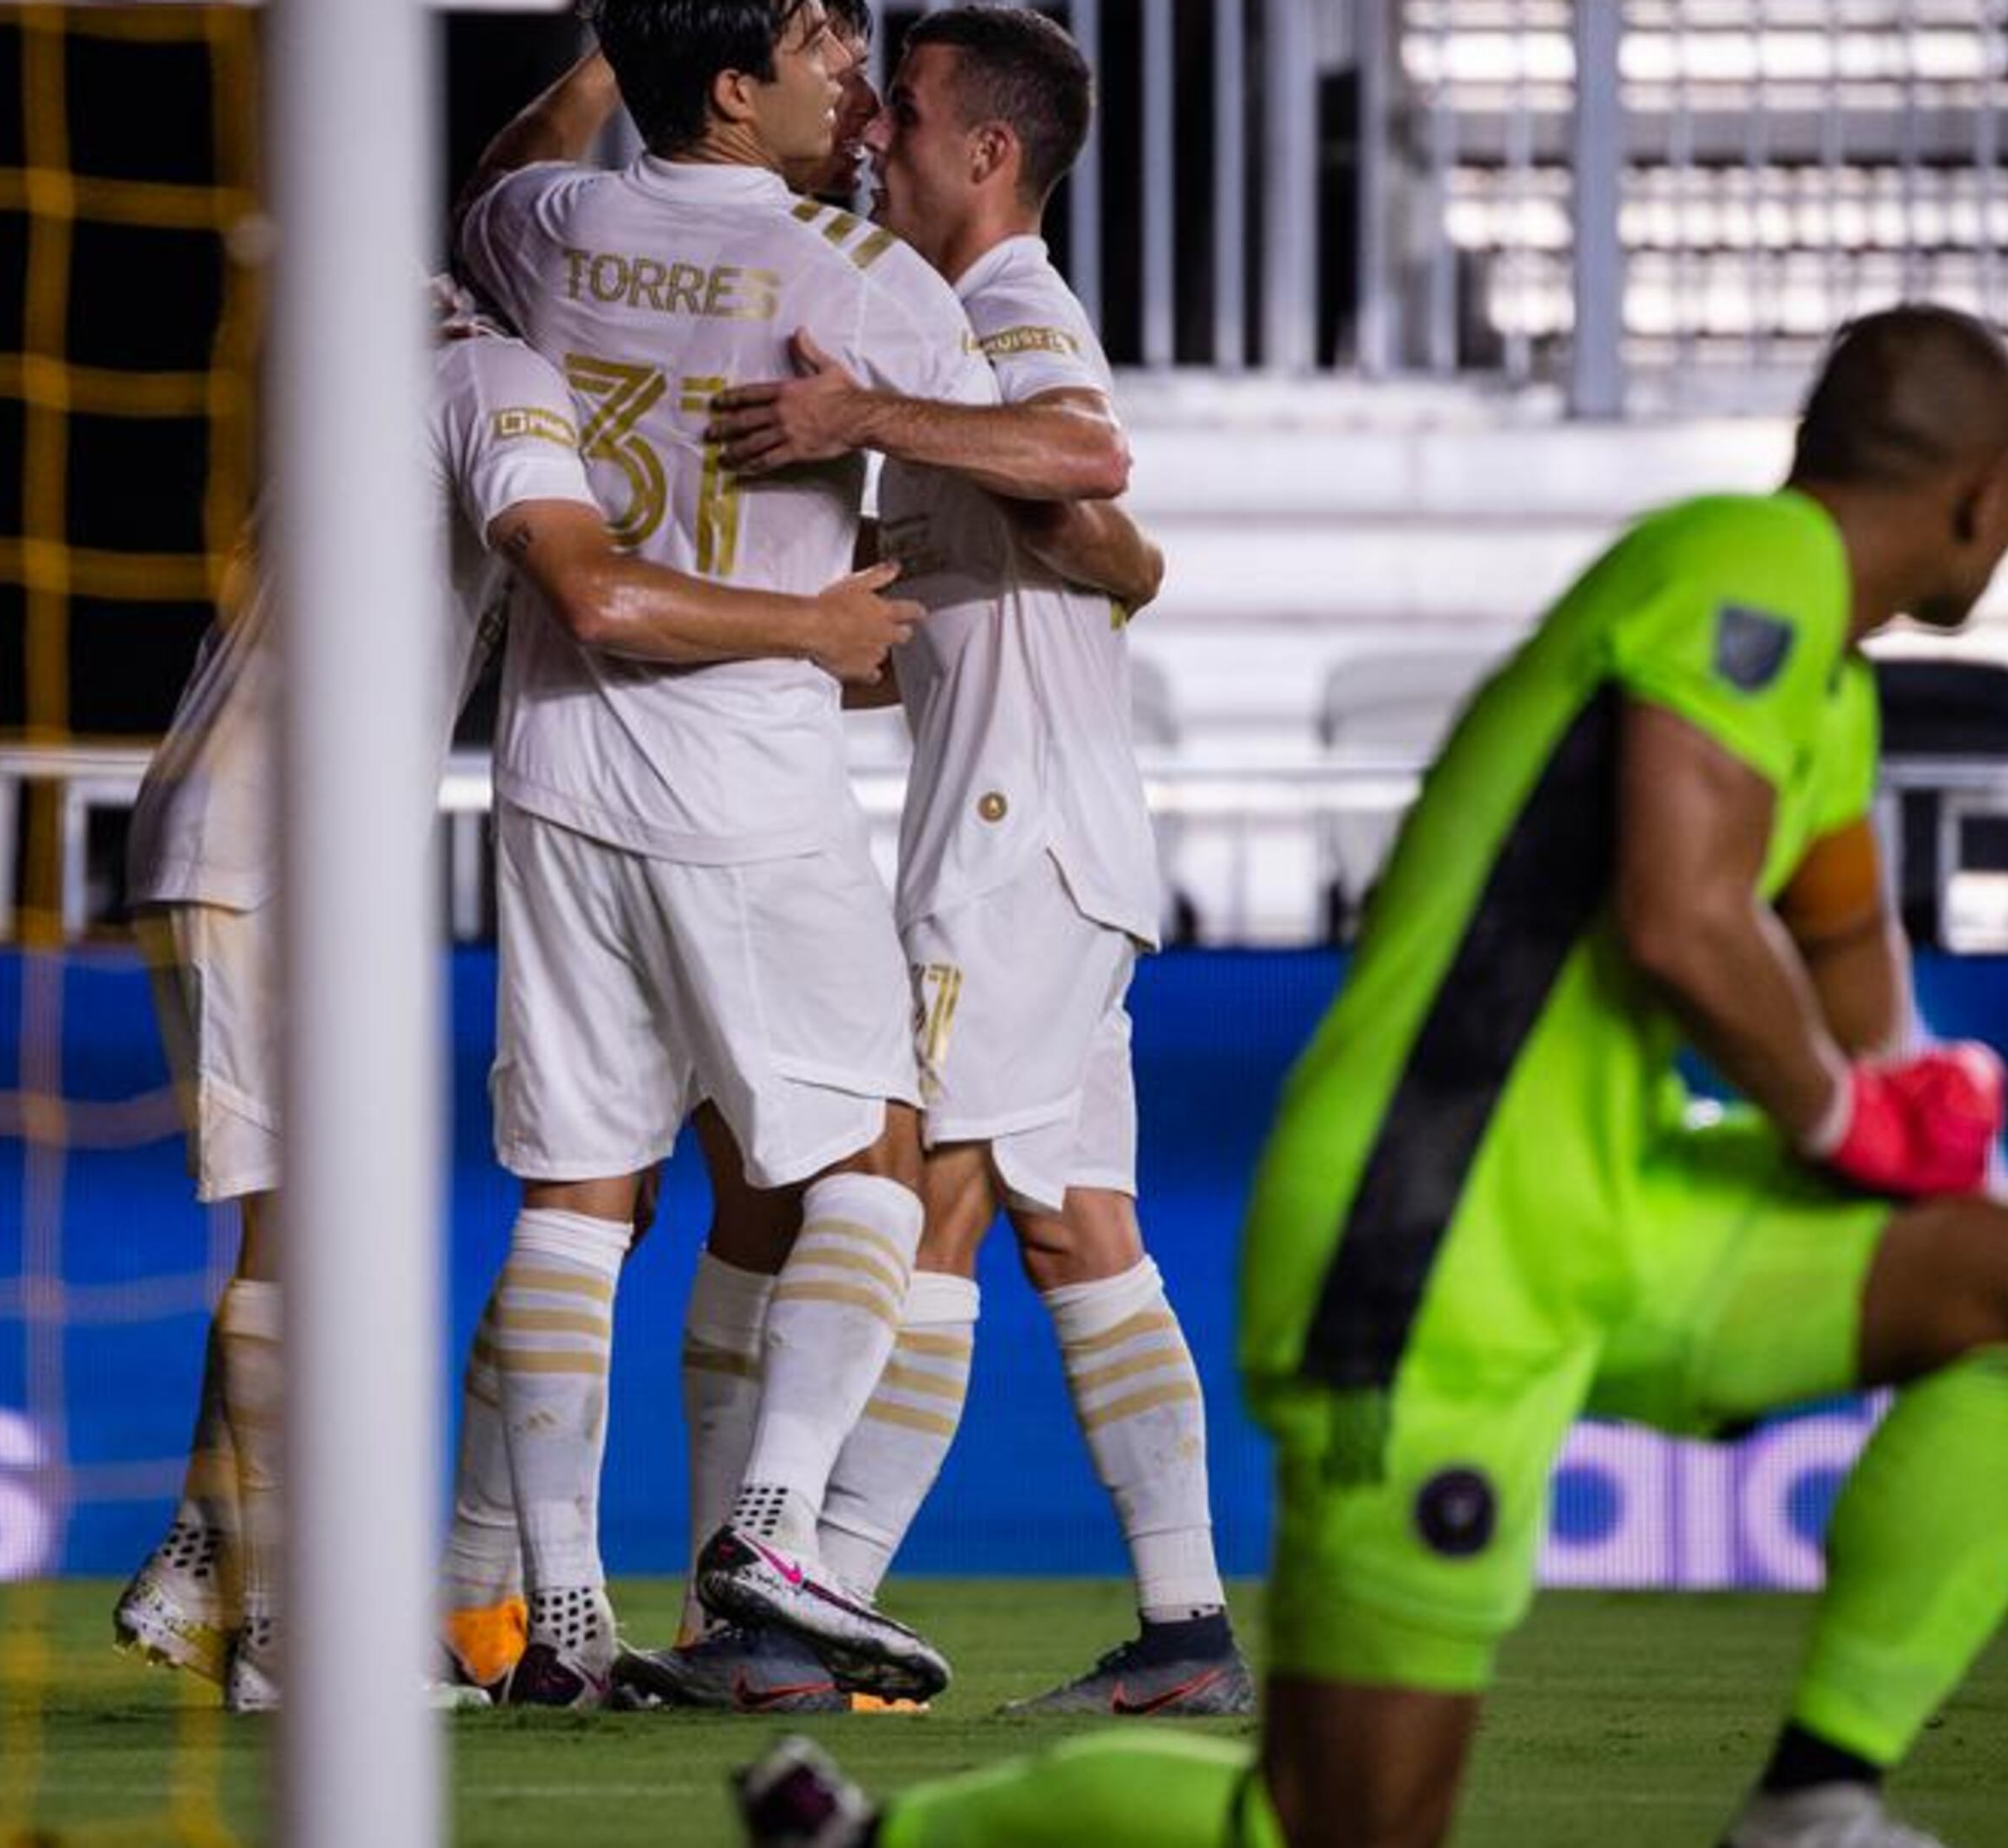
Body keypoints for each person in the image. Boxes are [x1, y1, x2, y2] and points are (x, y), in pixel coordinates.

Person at [737, 304, 2008, 1848]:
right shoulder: (1754, 566)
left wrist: (1928, 1112)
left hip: (1616, 1219)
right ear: (1989, 492)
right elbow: (1686, 919)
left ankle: (1815, 1799)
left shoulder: (1828, 690)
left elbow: (1852, 961)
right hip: (1428, 1240)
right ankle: (888, 1840)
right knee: (1343, 1827)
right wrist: (1858, 1117)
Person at [452, 0, 1131, 1708]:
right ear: (740, 86)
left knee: (582, 1191)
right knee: (877, 1168)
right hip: (745, 770)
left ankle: (564, 1629)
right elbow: (1083, 479)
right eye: (826, 53)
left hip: (549, 770)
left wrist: (615, 50)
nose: (854, 87)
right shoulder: (864, 279)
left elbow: (499, 174)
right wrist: (867, 434)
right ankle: (768, 1535)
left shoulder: (555, 230)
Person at [107, 300, 920, 1712]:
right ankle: (292, 1639)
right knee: (303, 1248)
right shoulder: (493, 379)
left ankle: (202, 1562)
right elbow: (595, 597)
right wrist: (813, 622)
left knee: (294, 1225)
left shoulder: (356, 418)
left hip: (228, 829)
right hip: (271, 849)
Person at [627, 6, 1249, 1720]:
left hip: (1008, 841)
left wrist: (853, 415)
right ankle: (1188, 1634)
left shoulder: (1001, 311)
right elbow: (1051, 553)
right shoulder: (964, 337)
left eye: (904, 112)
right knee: (1085, 1236)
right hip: (1057, 835)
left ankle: (803, 1608)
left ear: (988, 151)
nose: (878, 135)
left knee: (915, 1202)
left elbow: (1084, 458)